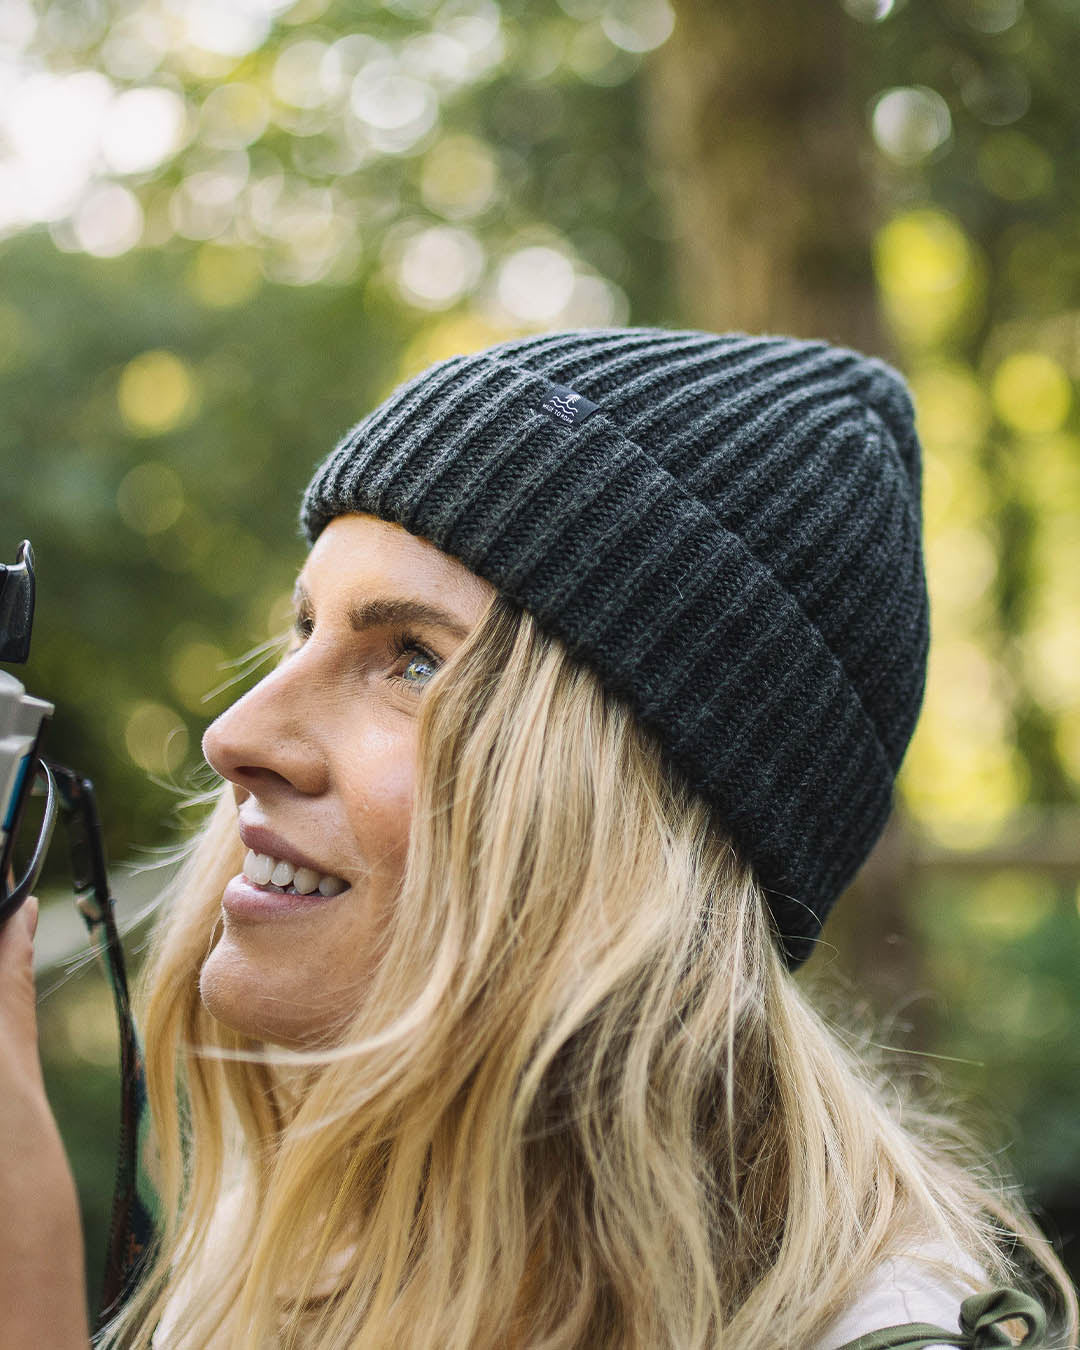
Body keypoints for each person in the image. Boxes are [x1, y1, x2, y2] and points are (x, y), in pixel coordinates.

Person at [1, 327, 1074, 1348]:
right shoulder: (284, 1252)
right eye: (304, 628)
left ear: (632, 809)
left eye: (414, 659)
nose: (236, 733)